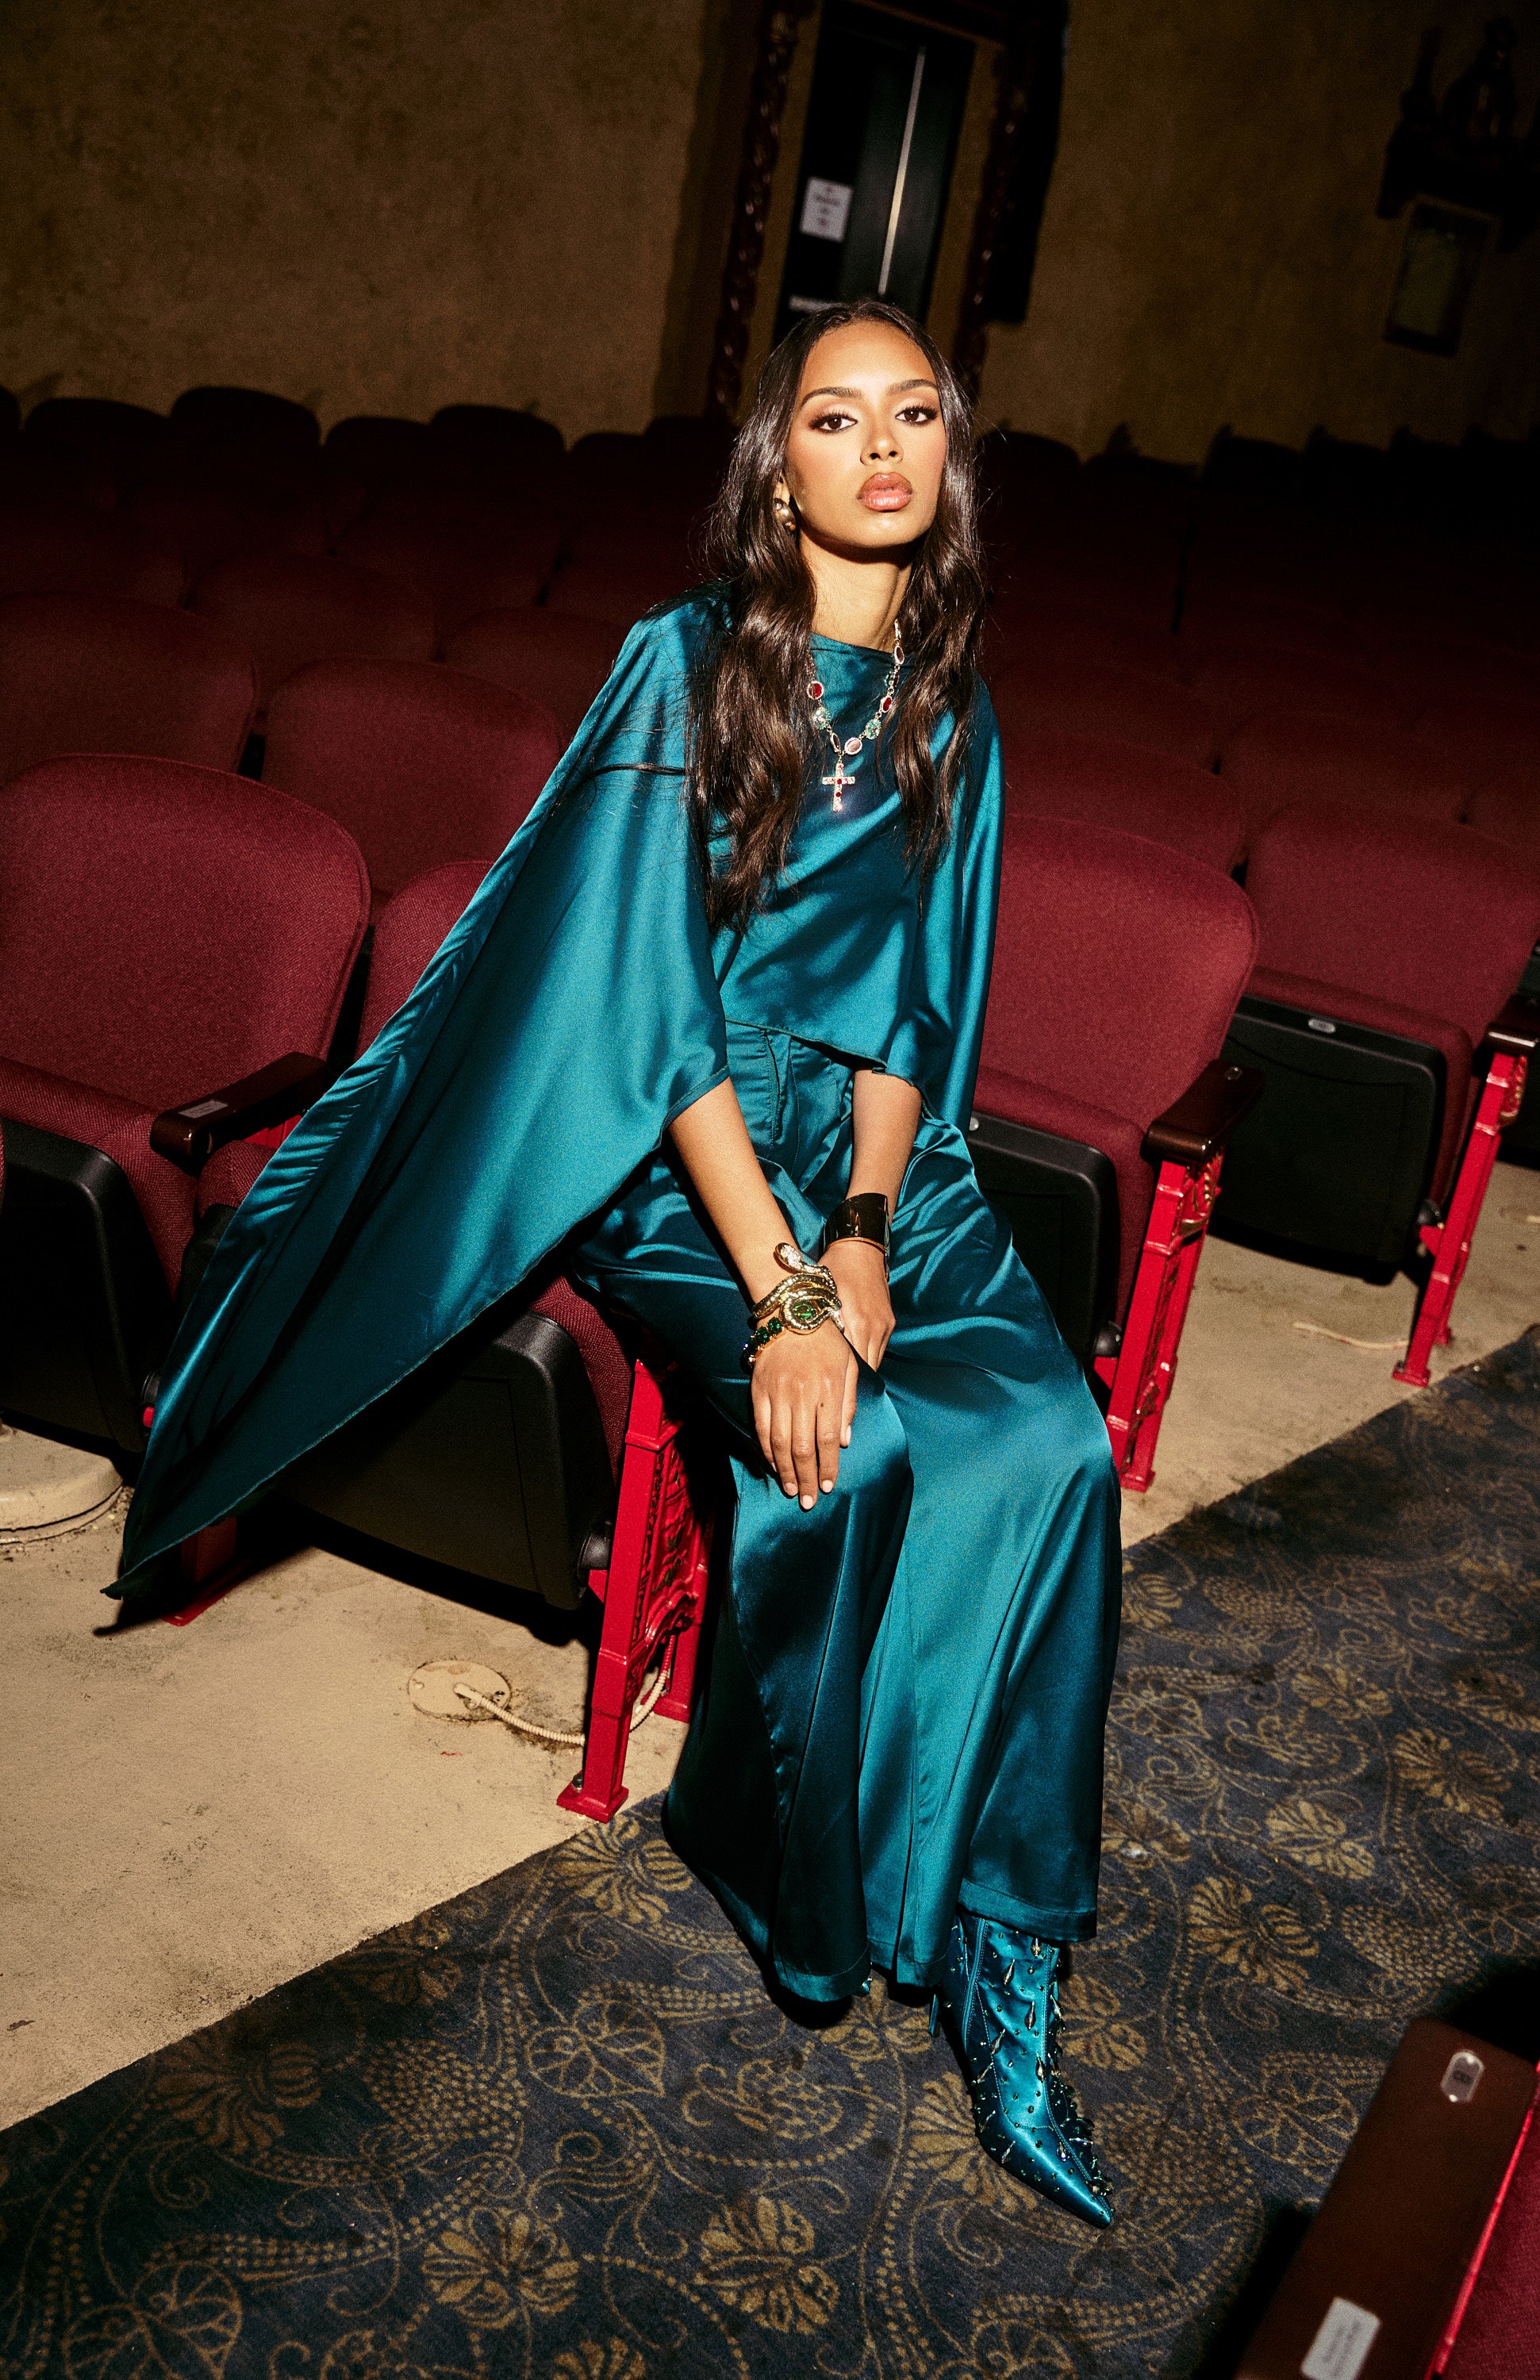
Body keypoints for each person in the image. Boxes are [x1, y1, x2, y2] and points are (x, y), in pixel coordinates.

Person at [113, 300, 1122, 2225]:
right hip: (681, 1165)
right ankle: (799, 1868)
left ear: (950, 462)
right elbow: (649, 1019)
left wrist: (868, 1239)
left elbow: (923, 1015)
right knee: (863, 1458)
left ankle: (1007, 1969)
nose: (881, 448)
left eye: (915, 415)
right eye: (836, 417)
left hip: (869, 1182)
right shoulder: (682, 666)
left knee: (1051, 1455)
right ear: (778, 463)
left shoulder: (951, 702)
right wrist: (782, 1290)